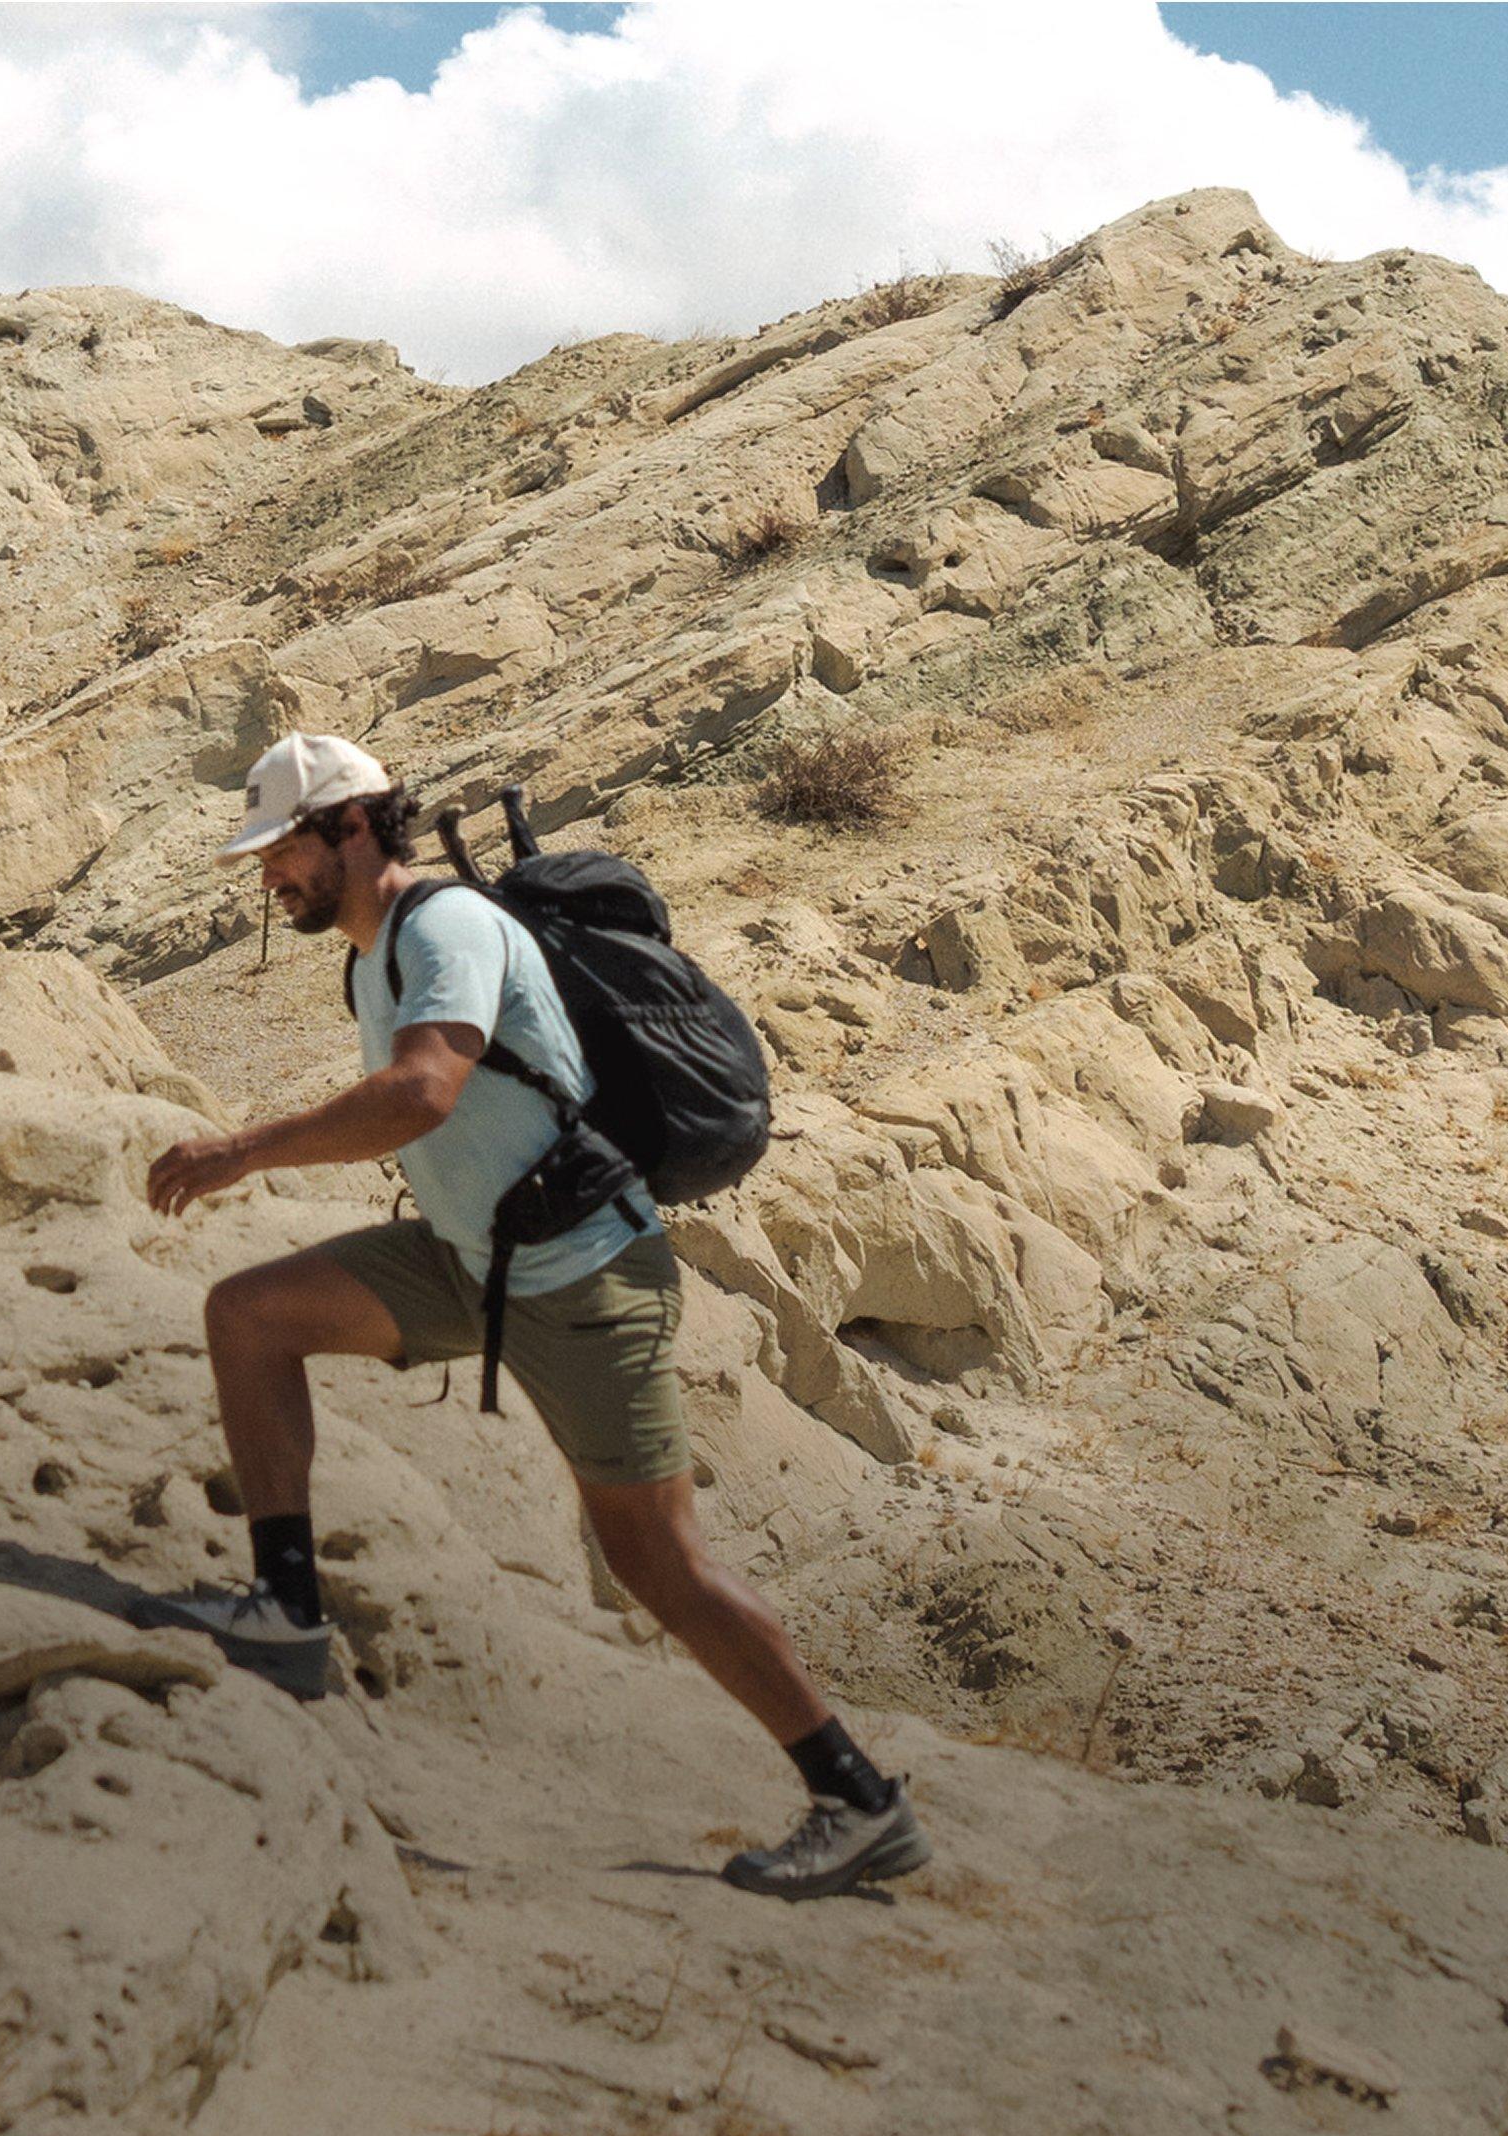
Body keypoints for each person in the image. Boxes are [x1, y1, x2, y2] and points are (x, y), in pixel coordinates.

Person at [140, 736, 930, 1900]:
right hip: (474, 1260)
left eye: (283, 850)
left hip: (583, 1277)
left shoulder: (445, 928)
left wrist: (243, 1150)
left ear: (353, 826)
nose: (269, 879)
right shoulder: (370, 960)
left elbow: (421, 1090)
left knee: (657, 1564)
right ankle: (286, 1605)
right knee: (248, 1316)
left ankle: (856, 1798)